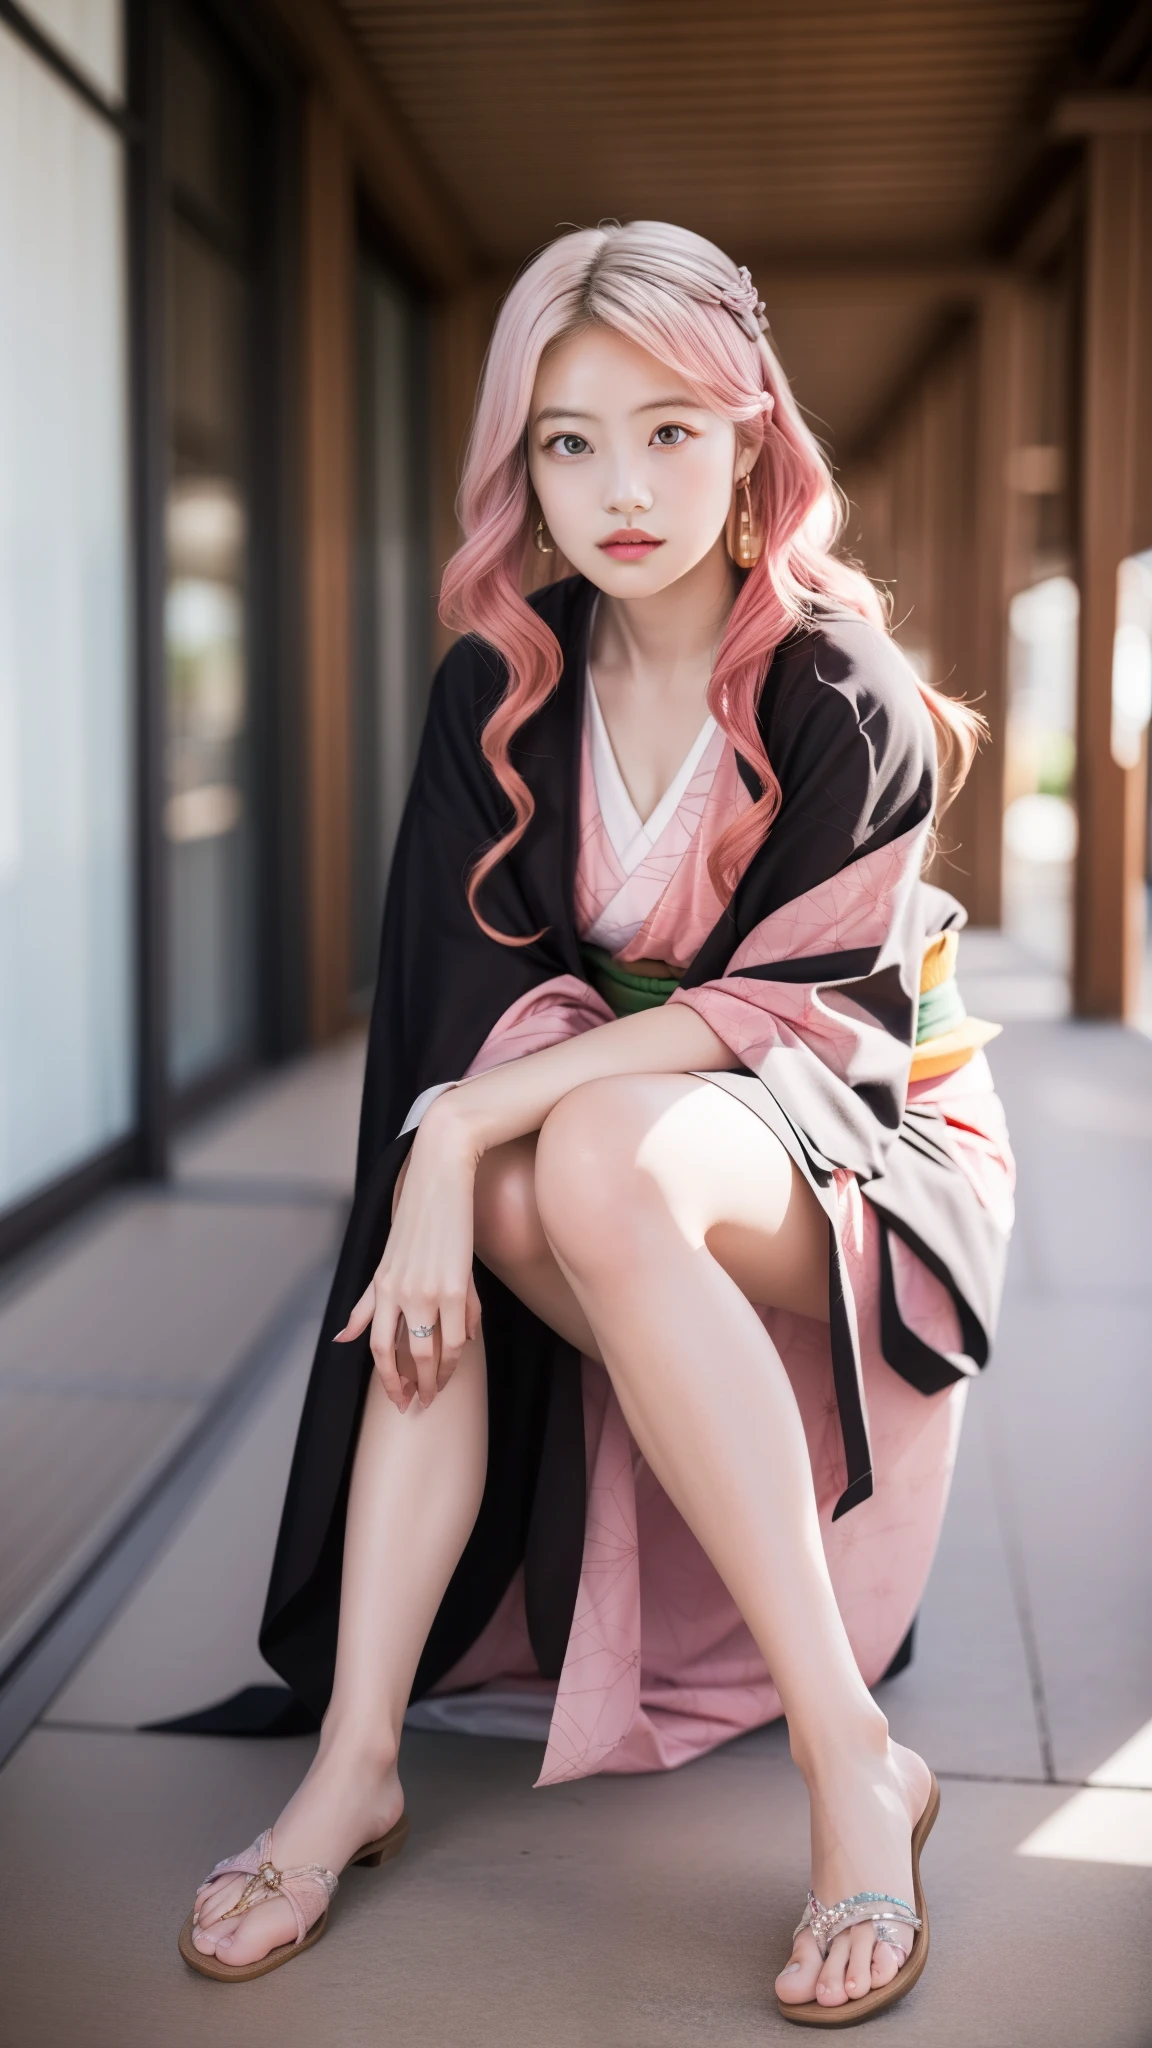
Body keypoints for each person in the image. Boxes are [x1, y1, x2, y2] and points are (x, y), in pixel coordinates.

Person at [180, 221, 1014, 2023]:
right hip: (588, 1125)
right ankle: (358, 1761)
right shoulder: (498, 683)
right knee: (539, 1168)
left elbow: (793, 1020)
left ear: (747, 447)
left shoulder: (836, 684)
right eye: (567, 440)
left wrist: (460, 1123)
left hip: (847, 1133)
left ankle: (842, 1760)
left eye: (666, 432)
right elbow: (453, 999)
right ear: (518, 464)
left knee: (583, 1148)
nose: (618, 488)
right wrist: (444, 1152)